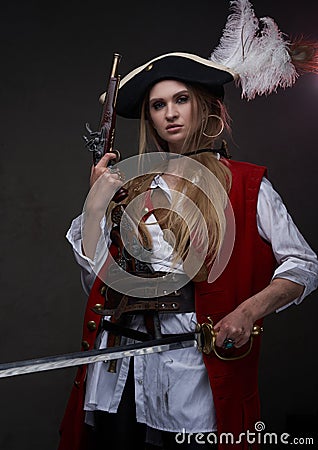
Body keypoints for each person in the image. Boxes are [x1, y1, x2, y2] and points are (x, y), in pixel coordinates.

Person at [58, 1, 318, 449]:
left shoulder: (245, 184)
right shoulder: (132, 186)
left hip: (192, 375)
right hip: (117, 373)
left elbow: (303, 265)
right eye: (158, 105)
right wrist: (96, 204)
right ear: (150, 118)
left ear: (202, 107)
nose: (170, 113)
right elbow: (95, 283)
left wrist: (247, 312)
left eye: (181, 100)